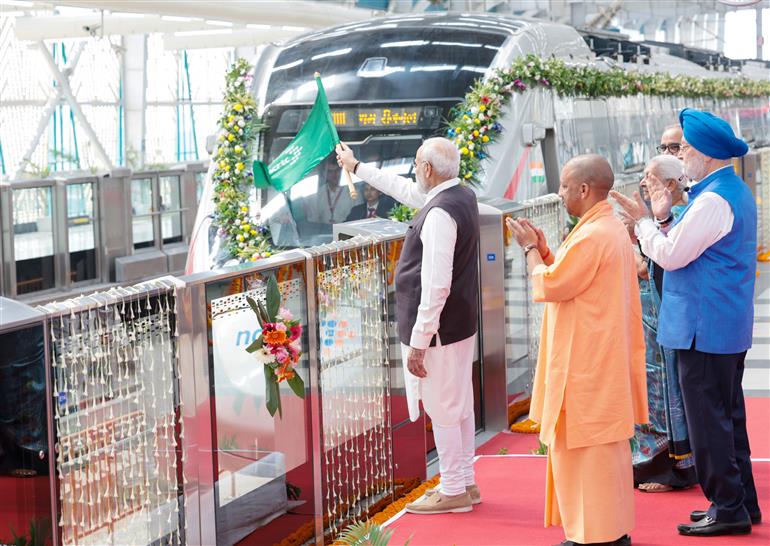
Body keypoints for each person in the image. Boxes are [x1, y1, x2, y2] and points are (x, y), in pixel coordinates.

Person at [611, 108, 760, 538]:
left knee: (709, 423)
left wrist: (642, 224)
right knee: (727, 418)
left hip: (704, 327)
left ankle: (727, 506)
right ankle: (739, 501)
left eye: (687, 148)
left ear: (709, 154)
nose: (682, 156)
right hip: (718, 324)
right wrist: (657, 218)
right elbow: (684, 243)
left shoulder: (712, 199)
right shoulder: (727, 191)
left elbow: (673, 254)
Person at [507, 154, 647, 546]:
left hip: (587, 367)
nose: (561, 192)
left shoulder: (594, 233)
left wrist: (530, 250)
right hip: (599, 361)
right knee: (602, 456)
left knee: (589, 455)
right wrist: (548, 252)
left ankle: (595, 536)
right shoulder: (605, 226)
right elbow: (571, 277)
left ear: (584, 190)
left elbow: (551, 286)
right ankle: (606, 530)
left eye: (565, 186)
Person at [336, 138, 481, 515]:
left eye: (417, 163)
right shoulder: (459, 196)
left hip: (439, 332)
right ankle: (465, 481)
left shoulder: (438, 214)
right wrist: (357, 167)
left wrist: (419, 341)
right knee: (459, 404)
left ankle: (452, 490)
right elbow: (405, 190)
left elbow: (436, 285)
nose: (414, 170)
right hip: (459, 325)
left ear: (428, 169)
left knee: (444, 407)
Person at [630, 155, 696, 493]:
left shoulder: (682, 216)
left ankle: (675, 469)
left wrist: (643, 258)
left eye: (650, 178)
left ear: (670, 185)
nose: (644, 183)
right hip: (650, 324)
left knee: (670, 395)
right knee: (651, 391)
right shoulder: (654, 218)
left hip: (669, 323)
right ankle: (651, 463)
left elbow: (667, 259)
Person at [303, 158, 360, 224]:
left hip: (346, 231)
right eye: (330, 172)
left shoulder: (354, 191)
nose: (334, 175)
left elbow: (359, 218)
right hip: (325, 232)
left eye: (337, 170)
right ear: (325, 174)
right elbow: (314, 220)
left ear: (341, 172)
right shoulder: (318, 194)